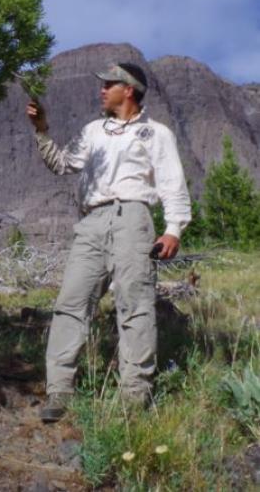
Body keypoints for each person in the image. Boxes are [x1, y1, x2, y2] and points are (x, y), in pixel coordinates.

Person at [26, 61, 191, 422]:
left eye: (109, 84)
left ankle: (134, 397)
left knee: (135, 304)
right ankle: (59, 391)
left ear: (128, 90)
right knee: (72, 301)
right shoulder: (93, 131)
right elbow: (63, 164)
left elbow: (171, 183)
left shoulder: (157, 134)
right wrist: (41, 130)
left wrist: (173, 229)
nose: (102, 90)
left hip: (135, 219)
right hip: (92, 222)